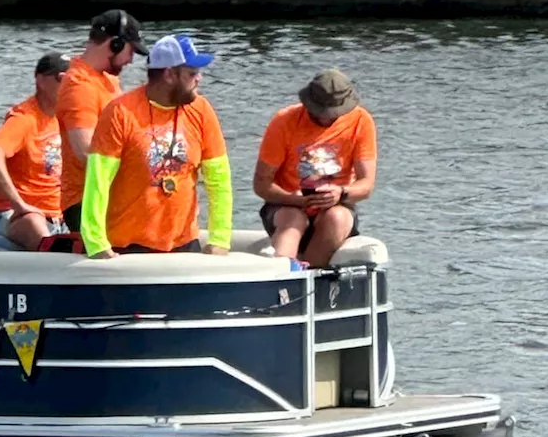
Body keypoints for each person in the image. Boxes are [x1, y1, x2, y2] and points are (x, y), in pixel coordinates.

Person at [80, 34, 232, 258]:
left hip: (184, 244)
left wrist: (220, 239)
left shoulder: (202, 110)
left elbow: (219, 180)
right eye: (192, 73)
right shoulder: (120, 112)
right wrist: (96, 244)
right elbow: (98, 181)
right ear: (170, 74)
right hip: (127, 247)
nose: (199, 78)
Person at [253, 68, 377, 268]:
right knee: (294, 219)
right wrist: (295, 199)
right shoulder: (284, 120)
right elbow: (261, 184)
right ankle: (280, 274)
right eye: (319, 113)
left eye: (333, 114)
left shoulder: (361, 121)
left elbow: (366, 185)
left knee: (336, 218)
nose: (325, 119)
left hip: (336, 205)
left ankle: (309, 277)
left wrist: (341, 193)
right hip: (286, 204)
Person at [56, 9, 146, 231]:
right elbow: (86, 152)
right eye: (131, 50)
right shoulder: (79, 85)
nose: (131, 59)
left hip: (113, 194)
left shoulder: (108, 80)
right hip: (85, 201)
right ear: (115, 44)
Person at [0, 52, 69, 250]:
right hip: (13, 215)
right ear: (41, 80)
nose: (69, 86)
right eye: (62, 79)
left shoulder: (69, 117)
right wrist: (19, 204)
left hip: (59, 216)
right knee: (35, 223)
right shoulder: (24, 118)